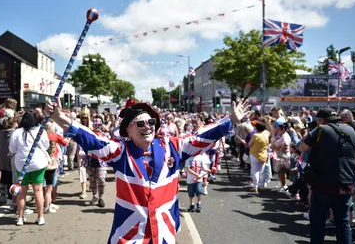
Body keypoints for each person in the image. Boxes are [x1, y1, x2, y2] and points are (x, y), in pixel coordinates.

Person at [44, 97, 249, 243]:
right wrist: (60, 119)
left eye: (151, 122)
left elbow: (202, 136)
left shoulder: (173, 147)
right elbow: (90, 139)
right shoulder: (120, 152)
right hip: (129, 237)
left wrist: (229, 120)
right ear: (129, 131)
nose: (147, 126)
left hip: (164, 236)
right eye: (140, 123)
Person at [299, 108, 355, 244]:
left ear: (321, 120)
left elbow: (302, 147)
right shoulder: (352, 130)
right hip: (346, 182)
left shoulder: (320, 130)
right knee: (343, 223)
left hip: (322, 183)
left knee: (318, 222)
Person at [9, 111, 49, 226]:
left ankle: (20, 217)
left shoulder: (17, 132)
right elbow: (45, 146)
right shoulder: (40, 131)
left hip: (21, 164)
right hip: (38, 163)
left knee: (21, 192)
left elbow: (12, 149)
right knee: (38, 190)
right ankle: (40, 216)